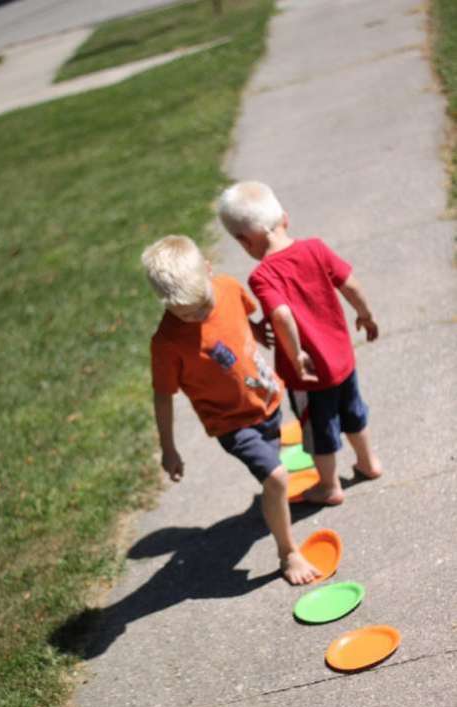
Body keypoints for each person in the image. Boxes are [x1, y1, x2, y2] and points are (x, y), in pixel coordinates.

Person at [141, 234, 320, 584]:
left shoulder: (226, 287)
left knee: (274, 471)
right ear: (163, 301)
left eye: (202, 305)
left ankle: (270, 500)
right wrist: (168, 448)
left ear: (209, 270)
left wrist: (255, 329)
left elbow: (243, 312)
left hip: (267, 399)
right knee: (277, 476)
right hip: (231, 424)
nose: (198, 315)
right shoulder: (167, 343)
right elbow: (163, 396)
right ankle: (289, 553)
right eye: (185, 312)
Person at [218, 181, 382, 505]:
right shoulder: (316, 248)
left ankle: (329, 486)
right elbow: (349, 283)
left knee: (318, 430)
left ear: (244, 241)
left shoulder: (263, 275)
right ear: (285, 218)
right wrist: (365, 314)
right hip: (341, 358)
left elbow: (281, 315)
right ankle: (368, 462)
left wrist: (296, 356)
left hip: (310, 375)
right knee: (353, 411)